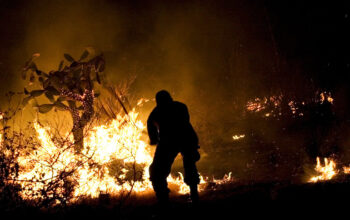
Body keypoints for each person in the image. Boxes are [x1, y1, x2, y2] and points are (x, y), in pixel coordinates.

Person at [147, 90, 200, 205]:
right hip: (182, 139)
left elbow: (152, 129)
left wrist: (154, 139)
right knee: (189, 165)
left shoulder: (157, 111)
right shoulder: (180, 106)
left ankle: (164, 200)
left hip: (175, 140)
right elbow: (185, 122)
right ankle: (192, 195)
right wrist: (155, 138)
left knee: (157, 171)